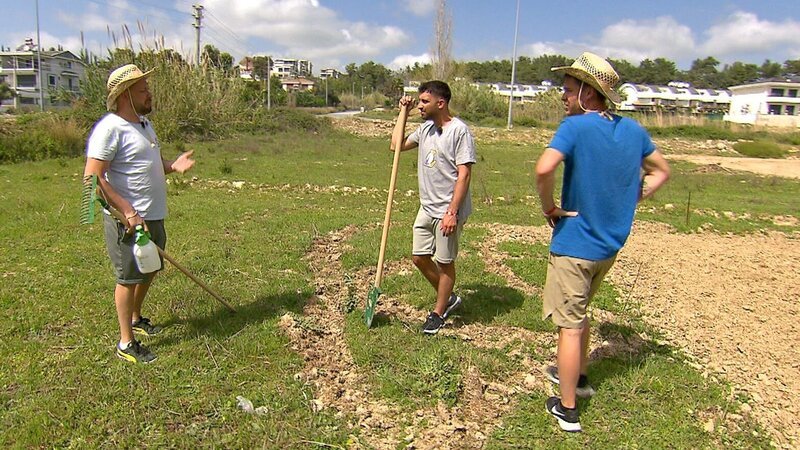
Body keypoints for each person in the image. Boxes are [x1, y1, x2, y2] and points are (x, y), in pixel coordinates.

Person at [535, 52, 671, 431]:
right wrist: (633, 197)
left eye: (567, 90)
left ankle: (568, 408)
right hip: (608, 248)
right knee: (579, 317)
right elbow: (662, 171)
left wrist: (550, 208)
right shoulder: (632, 131)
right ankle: (577, 377)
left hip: (574, 246)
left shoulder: (575, 127)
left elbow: (544, 168)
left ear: (588, 93)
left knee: (570, 326)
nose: (563, 98)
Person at [84, 64, 196, 363]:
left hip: (154, 215)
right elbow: (93, 179)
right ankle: (125, 343)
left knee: (149, 269)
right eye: (143, 89)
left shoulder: (145, 125)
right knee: (128, 277)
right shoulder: (109, 129)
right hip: (129, 222)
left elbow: (153, 163)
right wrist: (127, 212)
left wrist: (173, 166)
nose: (149, 93)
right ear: (125, 95)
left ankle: (136, 318)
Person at [392, 81, 477, 334]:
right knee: (419, 258)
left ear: (440, 103)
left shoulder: (459, 131)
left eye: (424, 102)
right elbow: (396, 146)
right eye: (419, 101)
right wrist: (403, 113)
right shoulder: (425, 129)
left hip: (448, 211)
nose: (420, 105)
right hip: (426, 208)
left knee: (444, 261)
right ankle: (448, 296)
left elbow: (464, 175)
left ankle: (438, 313)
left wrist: (452, 212)